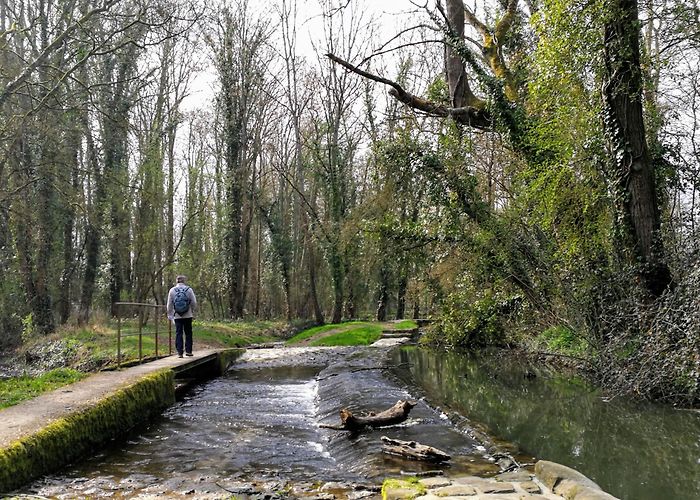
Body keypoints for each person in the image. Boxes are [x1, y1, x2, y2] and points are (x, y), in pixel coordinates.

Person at [166, 275, 197, 358]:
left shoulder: (172, 290)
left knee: (178, 333)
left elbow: (169, 304)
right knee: (188, 333)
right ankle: (189, 351)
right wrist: (191, 310)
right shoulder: (189, 289)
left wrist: (170, 315)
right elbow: (194, 302)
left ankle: (180, 353)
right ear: (184, 281)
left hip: (177, 315)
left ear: (176, 281)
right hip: (188, 315)